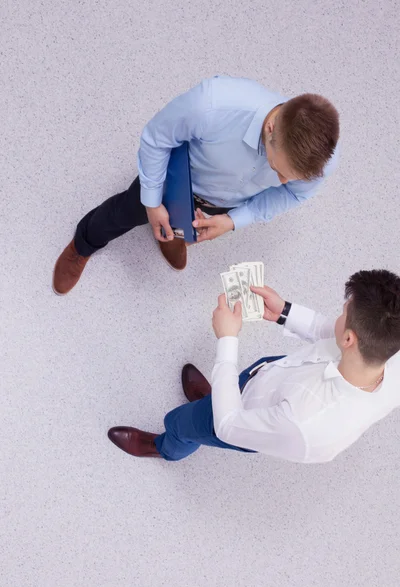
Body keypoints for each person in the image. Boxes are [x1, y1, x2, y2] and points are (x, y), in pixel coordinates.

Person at [52, 76, 339, 295]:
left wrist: (232, 220)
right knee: (122, 213)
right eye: (278, 170)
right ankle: (84, 243)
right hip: (174, 181)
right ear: (271, 129)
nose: (283, 183)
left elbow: (291, 196)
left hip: (228, 202)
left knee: (184, 230)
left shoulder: (320, 160)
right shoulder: (212, 105)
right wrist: (152, 203)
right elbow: (156, 139)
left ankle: (172, 235)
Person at [108, 269, 400, 462]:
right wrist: (284, 312)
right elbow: (331, 333)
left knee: (185, 422)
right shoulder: (385, 346)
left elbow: (228, 425)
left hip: (246, 419)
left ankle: (166, 447)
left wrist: (227, 340)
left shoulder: (304, 423)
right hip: (264, 381)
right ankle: (215, 397)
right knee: (227, 392)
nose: (337, 316)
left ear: (350, 338)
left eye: (342, 312)